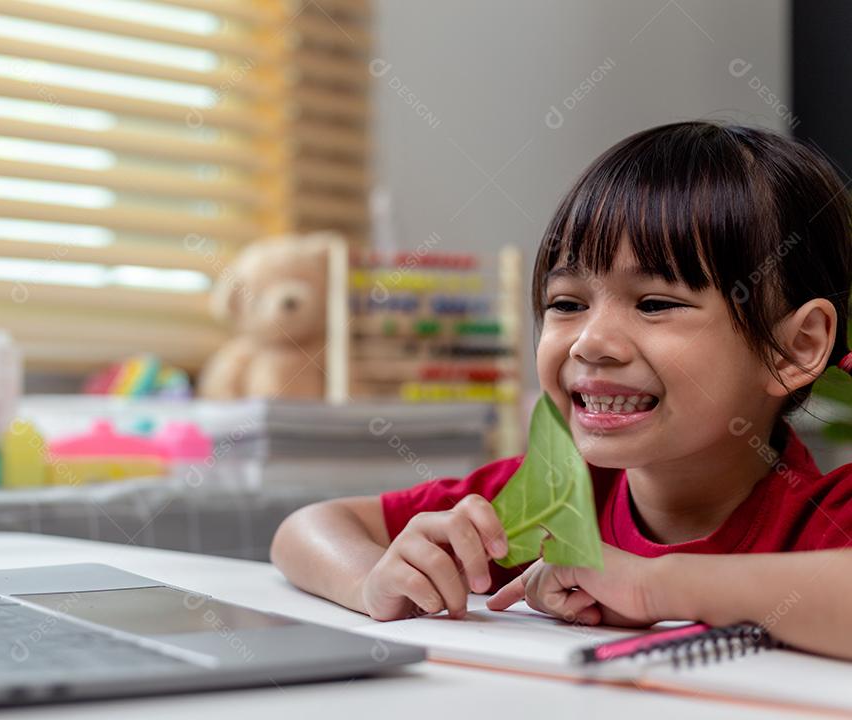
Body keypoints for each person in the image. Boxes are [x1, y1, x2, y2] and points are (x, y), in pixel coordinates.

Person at [271, 121, 852, 659]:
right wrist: (373, 581)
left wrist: (653, 587)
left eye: (655, 304)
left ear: (794, 349)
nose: (591, 343)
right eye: (567, 304)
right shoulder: (554, 496)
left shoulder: (828, 514)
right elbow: (308, 528)